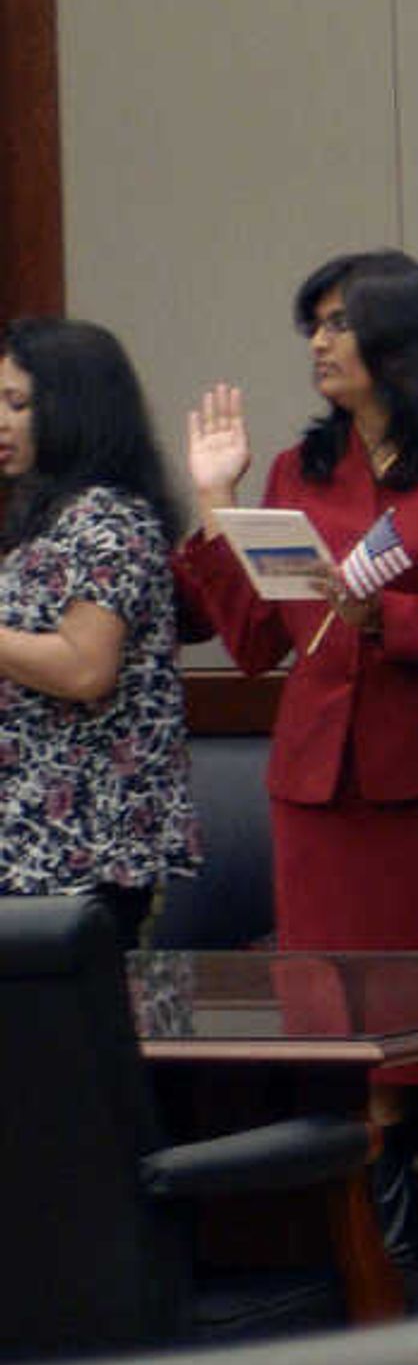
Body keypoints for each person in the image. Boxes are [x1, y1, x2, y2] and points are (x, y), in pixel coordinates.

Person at [173, 253, 418, 1308]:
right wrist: (215, 502)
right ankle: (395, 1290)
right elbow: (254, 640)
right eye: (313, 326)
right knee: (357, 1048)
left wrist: (394, 615)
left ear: (405, 339)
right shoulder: (303, 472)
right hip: (322, 799)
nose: (320, 345)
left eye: (340, 324)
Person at [0, 318, 200, 933]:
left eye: (18, 403)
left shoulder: (109, 518)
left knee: (73, 1028)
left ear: (73, 408)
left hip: (83, 845)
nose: (0, 421)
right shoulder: (47, 517)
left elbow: (86, 668)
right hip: (32, 838)